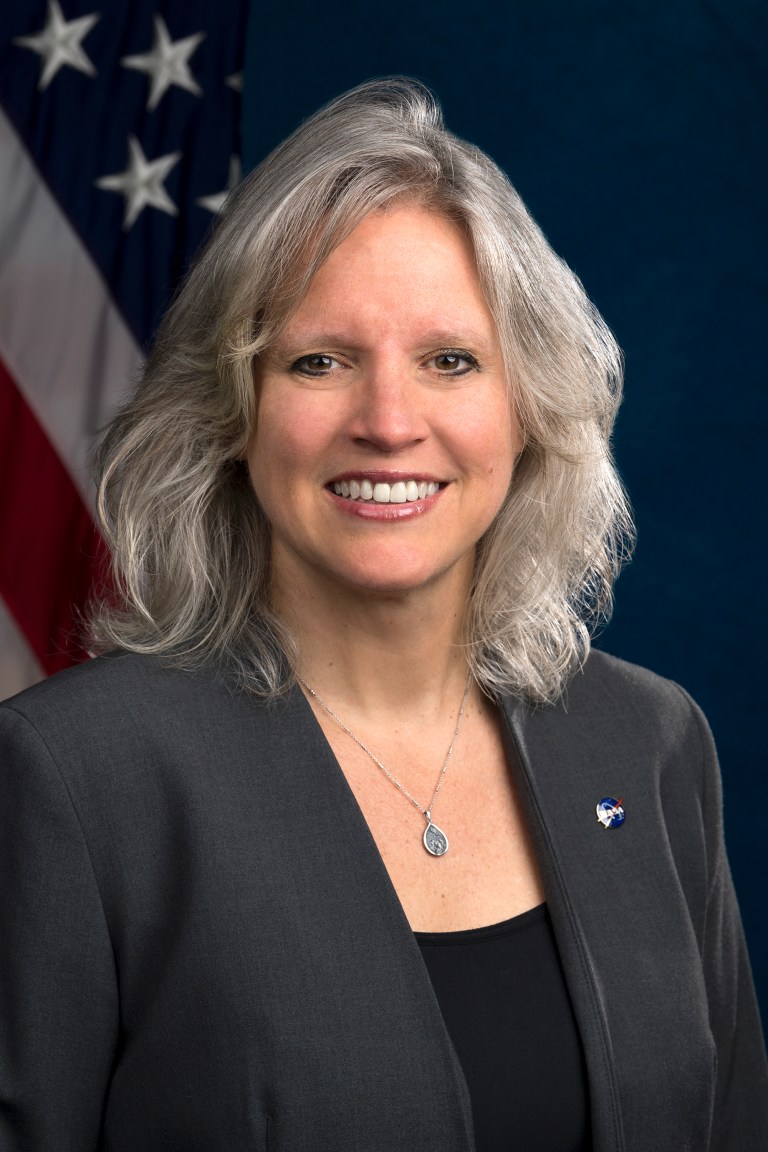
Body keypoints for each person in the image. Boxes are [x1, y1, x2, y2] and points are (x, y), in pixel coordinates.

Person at [0, 78, 765, 1152]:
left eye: (450, 361)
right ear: (233, 410)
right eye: (320, 362)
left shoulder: (647, 742)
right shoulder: (78, 777)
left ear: (527, 407)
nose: (389, 422)